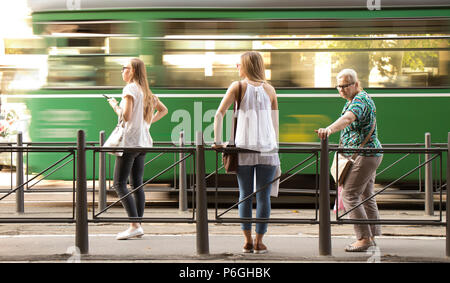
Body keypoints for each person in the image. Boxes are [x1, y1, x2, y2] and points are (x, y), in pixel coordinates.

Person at [213, 51, 280, 254]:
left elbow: (219, 113)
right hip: (268, 150)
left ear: (247, 66)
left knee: (244, 194)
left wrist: (218, 142)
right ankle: (260, 242)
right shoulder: (270, 90)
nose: (237, 67)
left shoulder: (238, 87)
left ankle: (247, 241)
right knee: (263, 196)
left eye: (239, 64)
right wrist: (274, 145)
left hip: (243, 149)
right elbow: (275, 123)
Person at [316, 69, 383, 252]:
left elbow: (347, 119)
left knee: (349, 195)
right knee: (365, 195)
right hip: (368, 153)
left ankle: (363, 238)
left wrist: (329, 129)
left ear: (355, 84)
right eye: (338, 86)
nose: (341, 89)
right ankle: (372, 234)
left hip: (365, 155)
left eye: (345, 85)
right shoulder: (355, 99)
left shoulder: (360, 101)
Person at [107, 58, 168, 240]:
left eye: (124, 68)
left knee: (119, 184)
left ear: (132, 71)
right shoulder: (146, 91)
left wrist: (115, 106)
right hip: (143, 143)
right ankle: (138, 226)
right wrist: (146, 124)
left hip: (130, 142)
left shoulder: (130, 89)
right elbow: (163, 110)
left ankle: (134, 225)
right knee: (137, 184)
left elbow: (125, 116)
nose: (122, 72)